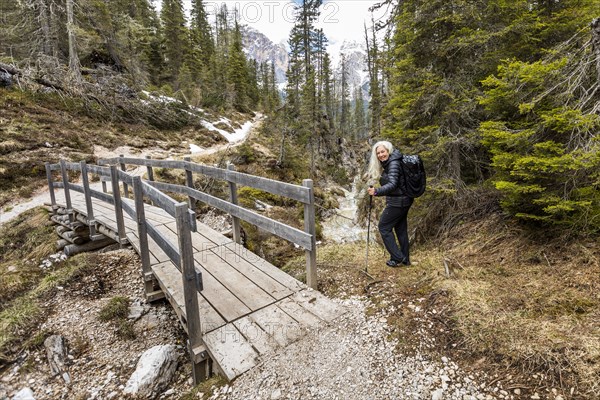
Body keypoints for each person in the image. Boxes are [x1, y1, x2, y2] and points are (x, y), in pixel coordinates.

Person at [366, 141, 413, 267]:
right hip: (404, 200)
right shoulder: (392, 161)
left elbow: (392, 184)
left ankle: (398, 257)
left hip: (398, 202)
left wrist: (376, 191)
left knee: (384, 227)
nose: (381, 155)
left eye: (383, 151)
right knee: (400, 229)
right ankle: (405, 259)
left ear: (388, 151)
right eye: (378, 153)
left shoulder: (393, 163)